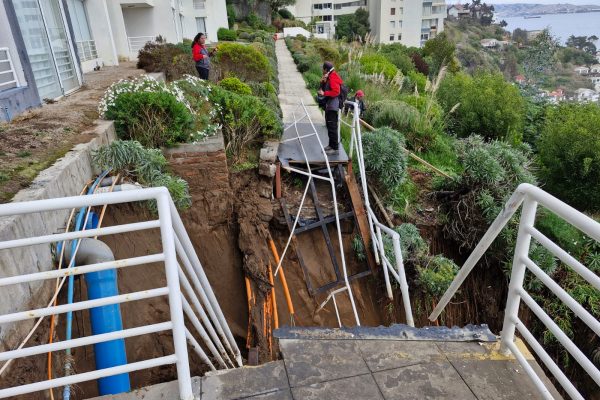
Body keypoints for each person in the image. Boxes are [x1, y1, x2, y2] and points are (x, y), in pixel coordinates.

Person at [317, 61, 343, 155]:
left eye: (323, 69)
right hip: (329, 106)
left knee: (332, 127)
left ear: (326, 69)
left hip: (333, 106)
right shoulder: (329, 76)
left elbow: (336, 92)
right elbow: (323, 88)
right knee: (329, 126)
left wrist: (325, 94)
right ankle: (331, 145)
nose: (322, 70)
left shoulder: (333, 77)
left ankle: (335, 149)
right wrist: (323, 81)